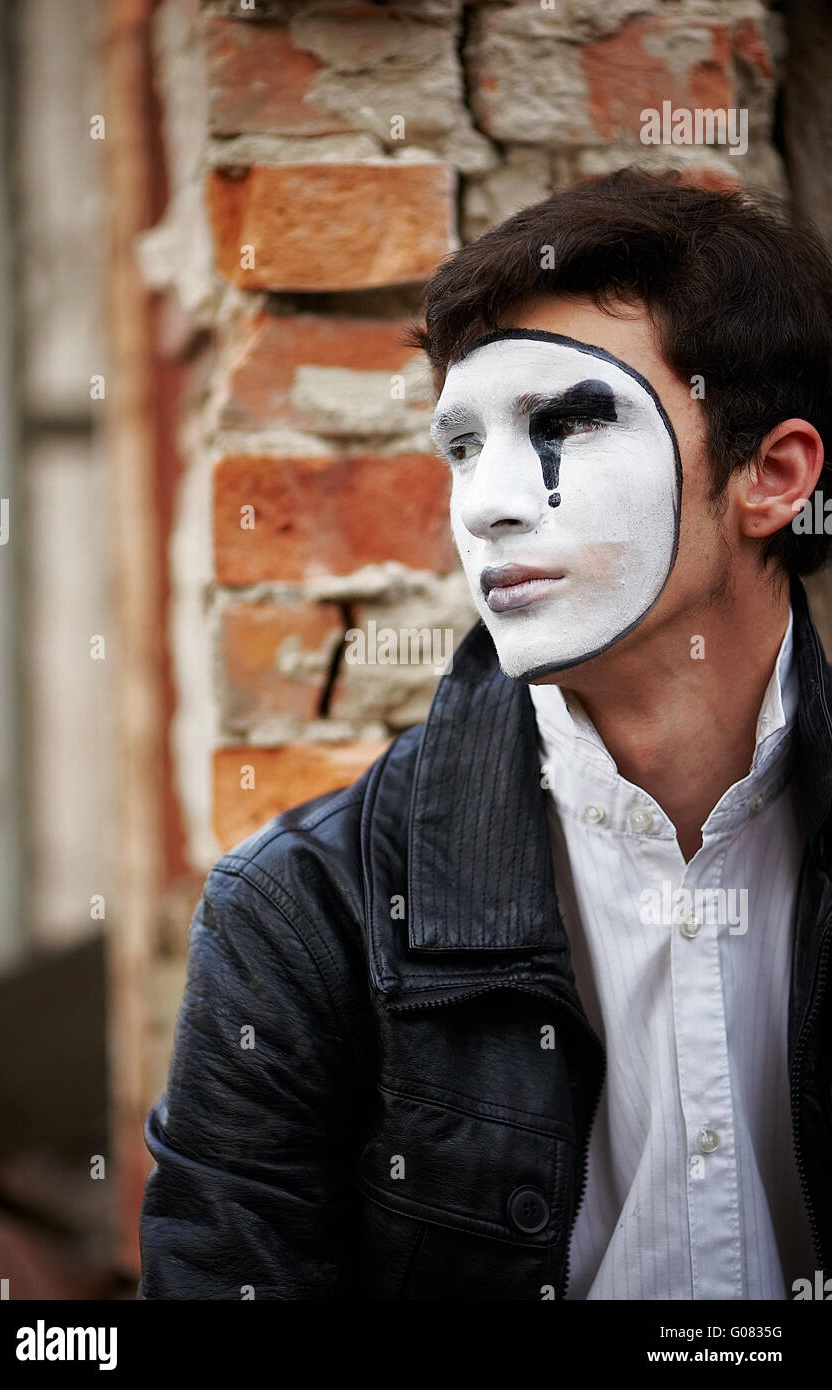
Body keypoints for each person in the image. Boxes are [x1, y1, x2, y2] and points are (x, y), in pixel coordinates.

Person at [137, 167, 832, 1301]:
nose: (486, 501)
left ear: (772, 474)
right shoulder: (303, 914)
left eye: (565, 421)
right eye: (461, 444)